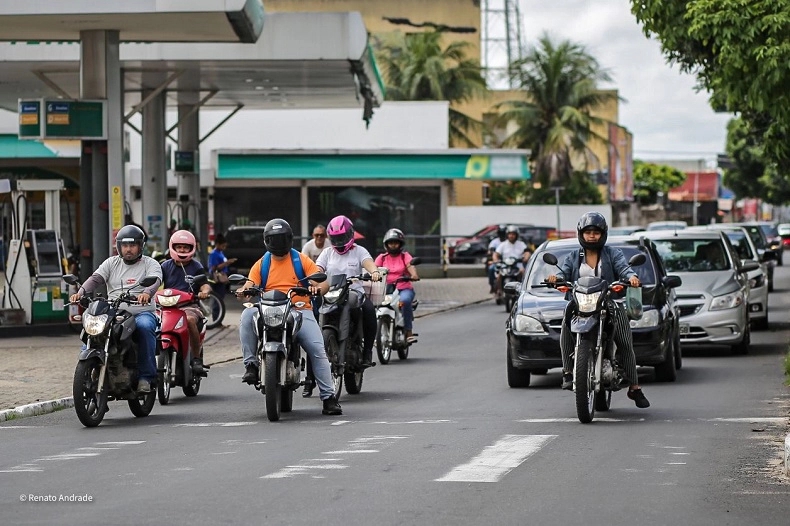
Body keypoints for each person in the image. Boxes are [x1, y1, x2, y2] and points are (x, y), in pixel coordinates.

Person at [235, 218, 342, 416]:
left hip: (299, 309)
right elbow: (250, 283)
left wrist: (317, 288)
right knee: (247, 314)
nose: (277, 243)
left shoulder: (300, 260)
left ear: (289, 239)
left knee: (317, 350)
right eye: (274, 239)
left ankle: (329, 398)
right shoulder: (263, 263)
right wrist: (244, 290)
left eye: (281, 239)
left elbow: (323, 281)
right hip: (268, 309)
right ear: (267, 240)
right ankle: (251, 364)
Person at [546, 212, 649, 408]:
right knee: (565, 330)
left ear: (603, 234)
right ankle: (568, 372)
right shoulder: (574, 256)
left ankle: (635, 387)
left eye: (596, 232)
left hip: (609, 301)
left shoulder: (612, 254)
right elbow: (562, 273)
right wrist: (555, 279)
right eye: (588, 232)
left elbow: (624, 269)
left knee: (625, 341)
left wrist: (631, 277)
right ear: (581, 234)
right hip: (580, 303)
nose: (592, 236)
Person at [68, 225, 163, 393]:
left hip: (141, 311)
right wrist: (81, 292)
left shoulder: (150, 263)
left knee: (145, 327)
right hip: (114, 311)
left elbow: (155, 280)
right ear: (119, 246)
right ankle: (86, 371)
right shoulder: (111, 263)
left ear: (141, 246)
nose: (128, 249)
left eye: (133, 245)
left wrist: (146, 293)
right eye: (125, 245)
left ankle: (146, 377)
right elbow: (96, 278)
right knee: (94, 330)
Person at [316, 215, 382, 369]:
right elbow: (318, 268)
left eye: (342, 237)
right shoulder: (327, 253)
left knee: (370, 311)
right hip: (332, 294)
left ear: (351, 234)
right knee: (313, 309)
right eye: (336, 238)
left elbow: (369, 263)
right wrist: (315, 276)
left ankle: (367, 352)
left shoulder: (359, 251)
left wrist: (374, 272)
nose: (339, 241)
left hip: (354, 293)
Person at [161, 230, 213, 376]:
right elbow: (155, 283)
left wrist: (205, 291)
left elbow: (205, 284)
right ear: (173, 247)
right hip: (167, 307)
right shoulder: (165, 266)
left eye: (186, 247)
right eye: (179, 247)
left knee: (189, 320)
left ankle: (196, 359)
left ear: (191, 248)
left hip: (190, 306)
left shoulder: (196, 266)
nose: (182, 250)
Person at [375, 228, 420, 343]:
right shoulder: (382, 258)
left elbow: (411, 266)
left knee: (405, 301)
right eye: (391, 243)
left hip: (403, 288)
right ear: (386, 244)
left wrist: (414, 275)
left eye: (395, 242)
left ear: (400, 244)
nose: (393, 245)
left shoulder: (405, 256)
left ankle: (408, 331)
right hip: (386, 289)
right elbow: (373, 269)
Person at [492, 225, 530, 295]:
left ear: (516, 235)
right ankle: (499, 291)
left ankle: (523, 291)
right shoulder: (503, 244)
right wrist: (495, 260)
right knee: (499, 275)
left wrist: (526, 258)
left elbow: (527, 252)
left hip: (518, 266)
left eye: (513, 234)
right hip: (505, 265)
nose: (511, 236)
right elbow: (496, 254)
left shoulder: (521, 244)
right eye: (510, 234)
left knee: (523, 273)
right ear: (507, 235)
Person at [487, 224, 507, 293]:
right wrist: (491, 252)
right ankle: (492, 285)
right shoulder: (494, 242)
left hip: (507, 261)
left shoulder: (508, 242)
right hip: (497, 261)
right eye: (501, 233)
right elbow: (490, 251)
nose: (502, 235)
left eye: (503, 233)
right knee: (491, 269)